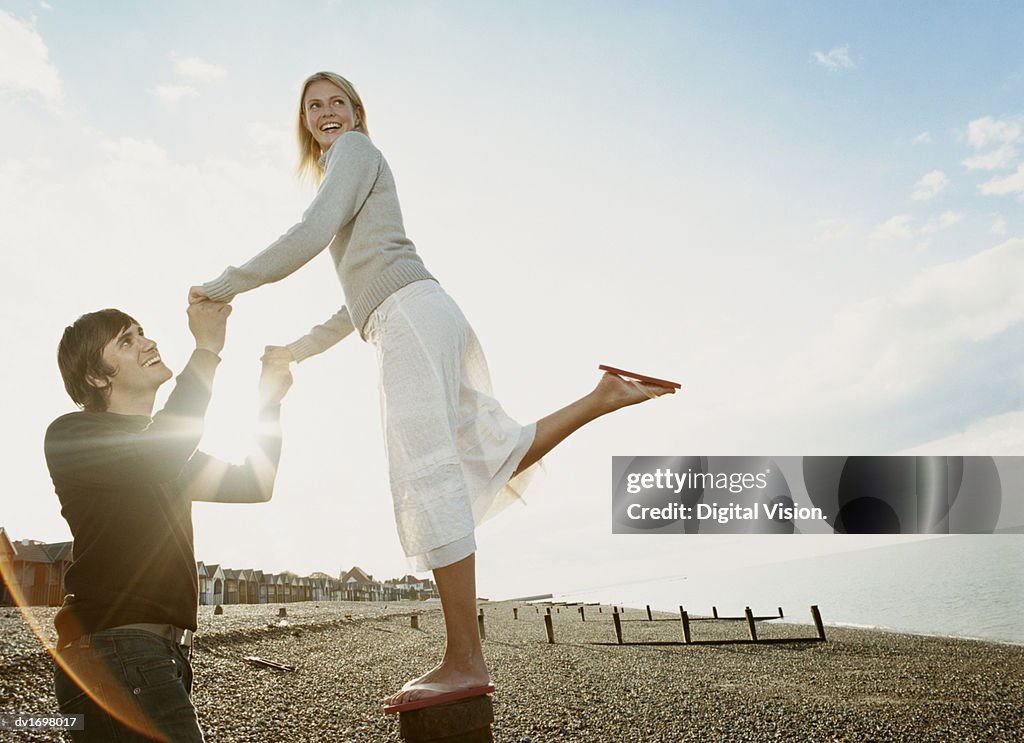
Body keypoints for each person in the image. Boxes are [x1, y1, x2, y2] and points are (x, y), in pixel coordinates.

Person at [189, 71, 675, 711]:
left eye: (339, 102)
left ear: (358, 113)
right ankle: (602, 396)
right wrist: (293, 352)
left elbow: (308, 234)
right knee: (486, 451)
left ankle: (463, 659)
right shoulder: (351, 171)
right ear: (303, 121)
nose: (328, 112)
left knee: (430, 479)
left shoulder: (354, 153)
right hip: (422, 311)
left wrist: (222, 285)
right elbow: (353, 303)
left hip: (411, 321)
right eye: (315, 106)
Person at [45, 299, 293, 742]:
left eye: (141, 331)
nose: (147, 342)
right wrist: (208, 349)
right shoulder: (72, 435)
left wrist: (269, 403)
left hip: (158, 655)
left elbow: (255, 484)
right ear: (97, 377)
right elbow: (159, 451)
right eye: (126, 340)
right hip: (114, 650)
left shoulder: (166, 454)